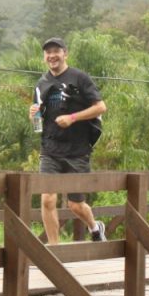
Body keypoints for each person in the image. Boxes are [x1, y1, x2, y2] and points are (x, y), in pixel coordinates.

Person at [28, 37, 107, 244]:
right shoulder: (41, 83)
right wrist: (34, 114)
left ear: (65, 54)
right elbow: (39, 118)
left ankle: (94, 227)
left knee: (75, 205)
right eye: (48, 52)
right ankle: (55, 250)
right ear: (44, 57)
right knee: (47, 199)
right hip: (50, 149)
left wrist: (72, 118)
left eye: (56, 51)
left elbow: (100, 107)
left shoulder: (79, 77)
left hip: (77, 150)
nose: (52, 55)